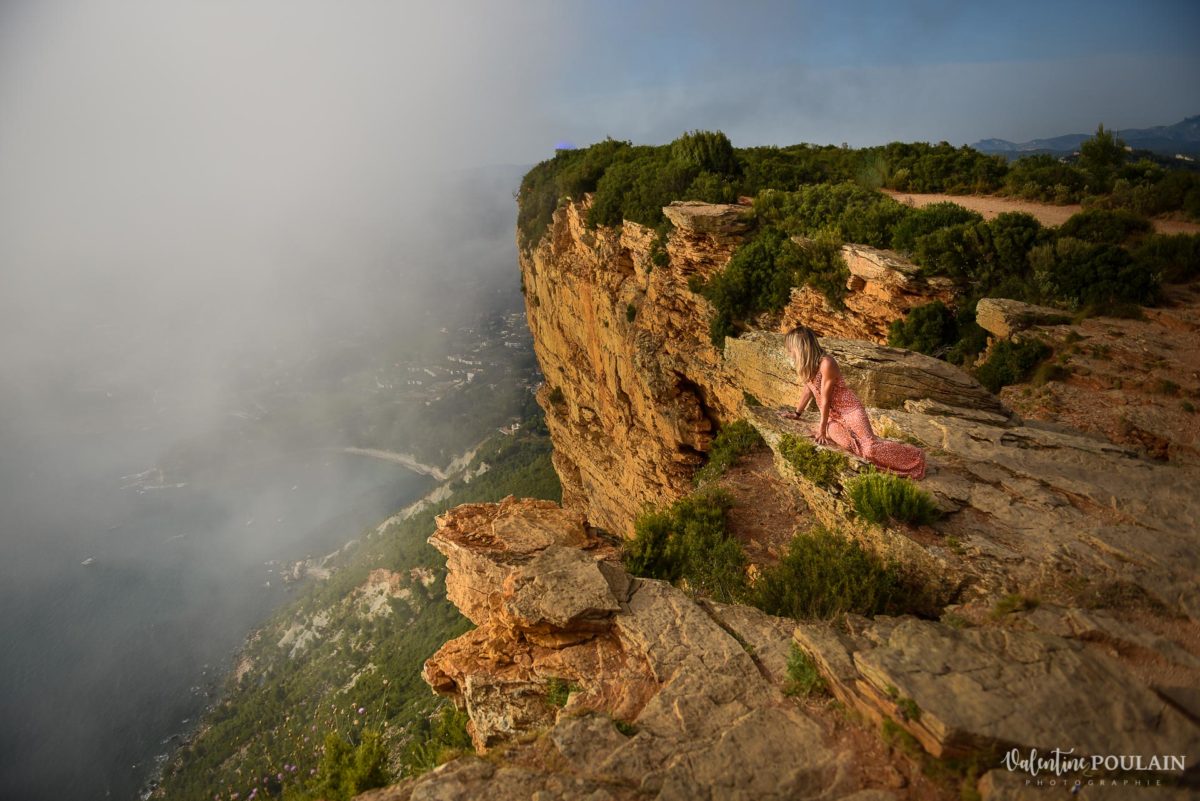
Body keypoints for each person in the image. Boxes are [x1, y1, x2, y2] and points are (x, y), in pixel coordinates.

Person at [781, 325, 926, 480]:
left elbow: (825, 398)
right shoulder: (808, 366)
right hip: (832, 417)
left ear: (801, 347)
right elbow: (808, 390)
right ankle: (879, 454)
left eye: (791, 348)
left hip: (850, 410)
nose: (790, 352)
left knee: (869, 449)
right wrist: (797, 413)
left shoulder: (826, 363)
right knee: (850, 446)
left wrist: (821, 428)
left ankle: (914, 457)